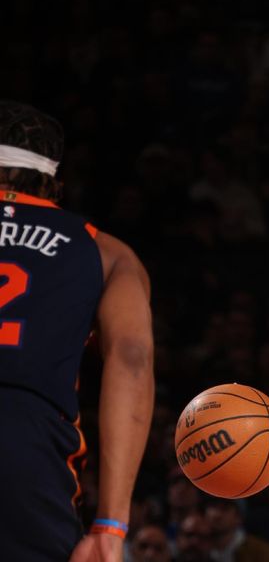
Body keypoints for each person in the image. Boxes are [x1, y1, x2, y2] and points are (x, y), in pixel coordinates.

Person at [0, 100, 155, 561]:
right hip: (25, 455)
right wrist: (111, 522)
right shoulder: (106, 253)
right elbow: (131, 359)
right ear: (54, 186)